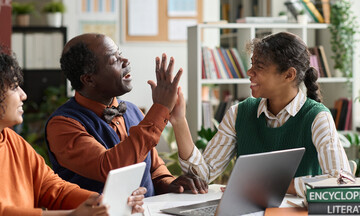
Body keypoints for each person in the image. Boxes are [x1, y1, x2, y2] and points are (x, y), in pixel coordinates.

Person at [170, 32, 350, 198]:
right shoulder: (239, 113)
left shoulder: (317, 118)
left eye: (259, 66)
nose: (249, 72)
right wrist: (179, 121)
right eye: (252, 64)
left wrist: (270, 185)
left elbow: (341, 183)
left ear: (288, 75)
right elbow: (201, 177)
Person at [45, 33, 207, 197]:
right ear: (88, 79)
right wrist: (161, 108)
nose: (125, 61)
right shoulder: (62, 124)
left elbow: (154, 167)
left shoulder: (133, 110)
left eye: (120, 54)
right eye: (113, 60)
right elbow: (110, 167)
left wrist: (169, 183)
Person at [0, 49, 146, 215]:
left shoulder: (11, 139)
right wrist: (71, 215)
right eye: (13, 87)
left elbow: (52, 187)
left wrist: (103, 202)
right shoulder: (64, 121)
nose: (23, 95)